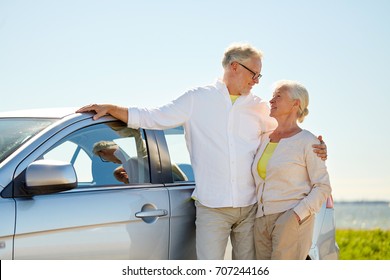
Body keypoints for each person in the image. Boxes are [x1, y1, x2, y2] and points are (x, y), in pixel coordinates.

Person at [76, 43, 327, 260]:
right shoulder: (197, 99)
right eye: (254, 74)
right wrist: (111, 108)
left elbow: (288, 134)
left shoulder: (259, 108)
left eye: (260, 77)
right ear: (234, 67)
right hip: (211, 208)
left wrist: (317, 146)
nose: (256, 81)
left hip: (251, 209)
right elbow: (153, 117)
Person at [252, 80, 332, 260]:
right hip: (260, 221)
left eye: (278, 97)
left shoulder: (308, 141)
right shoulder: (263, 139)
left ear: (296, 103)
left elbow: (323, 186)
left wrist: (296, 215)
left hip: (291, 219)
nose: (271, 101)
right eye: (272, 97)